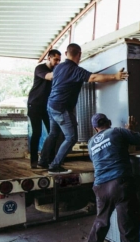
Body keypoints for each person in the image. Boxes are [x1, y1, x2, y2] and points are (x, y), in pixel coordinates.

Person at [38, 43, 129, 174]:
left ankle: (43, 161)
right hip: (61, 108)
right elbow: (93, 77)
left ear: (66, 53)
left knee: (53, 134)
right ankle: (54, 165)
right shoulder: (76, 70)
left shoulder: (58, 68)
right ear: (79, 54)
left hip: (51, 105)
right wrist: (115, 76)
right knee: (71, 138)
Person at [85, 114, 140, 242]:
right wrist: (130, 131)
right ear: (109, 122)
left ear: (94, 128)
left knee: (101, 223)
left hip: (100, 187)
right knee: (128, 229)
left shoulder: (91, 142)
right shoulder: (117, 131)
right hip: (121, 184)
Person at [27, 49, 61, 169]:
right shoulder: (40, 68)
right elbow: (49, 77)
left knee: (54, 133)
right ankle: (34, 161)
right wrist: (64, 71)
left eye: (59, 60)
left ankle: (49, 161)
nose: (57, 62)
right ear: (49, 58)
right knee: (37, 133)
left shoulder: (57, 70)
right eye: (55, 59)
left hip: (47, 107)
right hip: (34, 105)